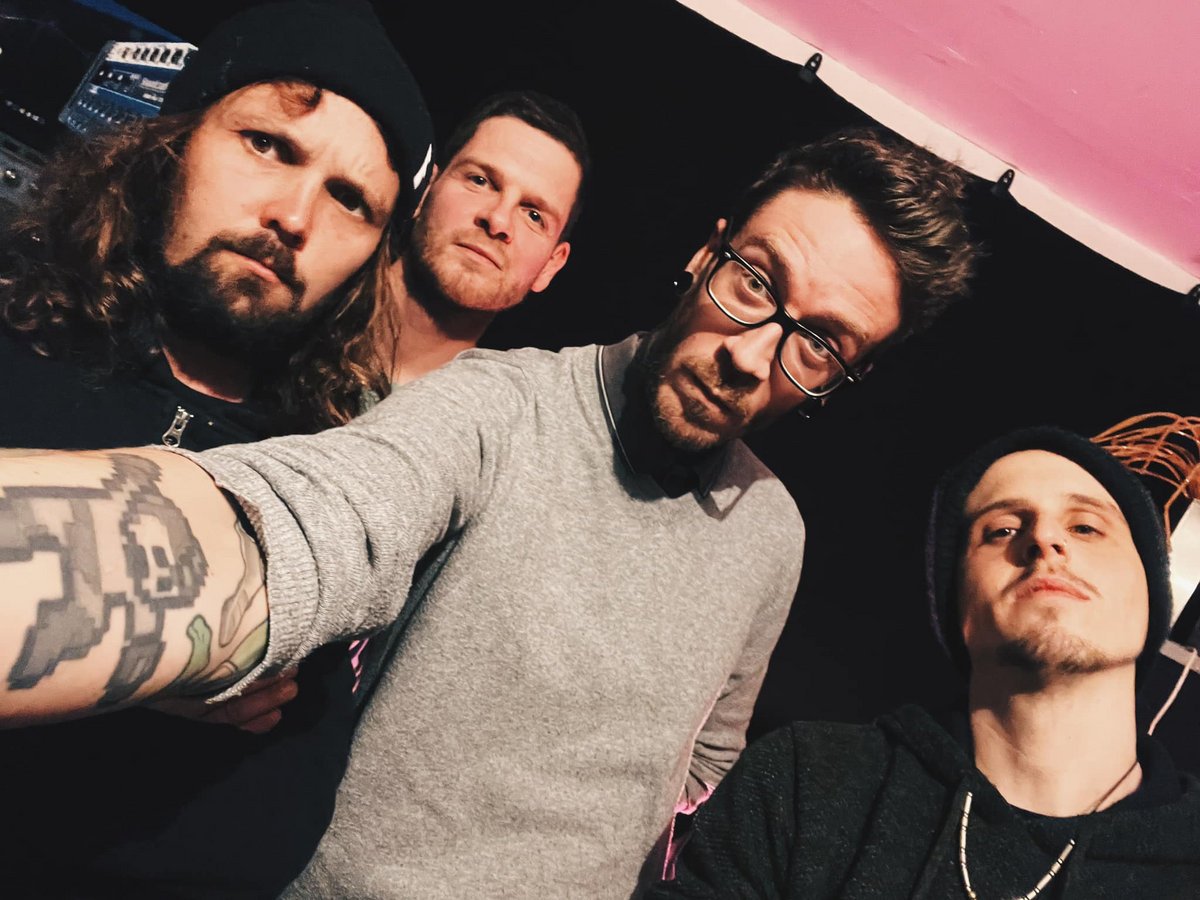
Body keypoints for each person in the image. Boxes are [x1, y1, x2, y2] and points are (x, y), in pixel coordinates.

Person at [0, 127, 975, 897]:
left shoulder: (774, 532)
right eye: (754, 281)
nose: (752, 355)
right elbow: (314, 517)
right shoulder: (494, 408)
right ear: (705, 253)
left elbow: (705, 761)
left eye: (821, 344)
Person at [0, 1, 436, 896]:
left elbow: (267, 831)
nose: (295, 215)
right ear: (173, 141)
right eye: (268, 145)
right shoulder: (15, 334)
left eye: (351, 200)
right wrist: (145, 658)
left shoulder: (317, 487)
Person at [648, 427, 1200, 899]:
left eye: (1086, 527)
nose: (1044, 537)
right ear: (954, 602)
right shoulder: (805, 783)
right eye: (1002, 530)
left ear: (1153, 594)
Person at [377, 89, 587, 386]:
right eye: (480, 181)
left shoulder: (505, 413)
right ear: (428, 187)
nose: (498, 220)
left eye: (533, 215)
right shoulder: (308, 298)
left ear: (551, 266)